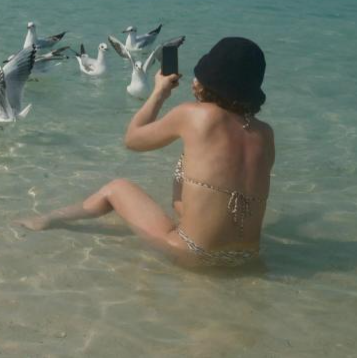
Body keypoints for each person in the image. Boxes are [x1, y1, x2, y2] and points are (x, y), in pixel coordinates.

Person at [16, 37, 274, 268]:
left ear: (208, 80)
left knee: (116, 188)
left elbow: (133, 139)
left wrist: (159, 92)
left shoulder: (196, 115)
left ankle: (48, 219)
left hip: (193, 255)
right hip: (246, 258)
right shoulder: (265, 134)